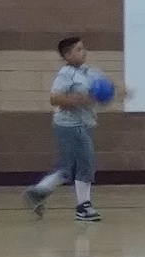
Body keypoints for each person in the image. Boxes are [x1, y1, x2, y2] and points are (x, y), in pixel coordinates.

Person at [23, 36, 129, 222]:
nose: (84, 52)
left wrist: (119, 92)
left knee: (68, 167)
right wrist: (79, 100)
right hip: (71, 126)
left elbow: (106, 87)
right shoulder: (66, 74)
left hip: (83, 124)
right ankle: (83, 207)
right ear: (67, 55)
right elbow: (55, 99)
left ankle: (39, 192)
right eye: (79, 49)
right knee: (86, 164)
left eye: (83, 48)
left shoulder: (89, 71)